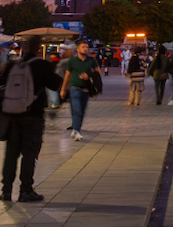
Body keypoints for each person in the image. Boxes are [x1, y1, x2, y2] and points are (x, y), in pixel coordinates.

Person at [3, 39, 69, 202]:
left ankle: (6, 190)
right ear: (39, 49)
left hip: (12, 116)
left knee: (11, 154)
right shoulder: (42, 65)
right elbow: (55, 84)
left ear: (24, 48)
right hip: (33, 116)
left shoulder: (13, 64)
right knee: (29, 154)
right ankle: (25, 190)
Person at [60, 40, 100, 141]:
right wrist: (63, 89)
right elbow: (67, 75)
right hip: (75, 87)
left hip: (86, 88)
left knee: (81, 111)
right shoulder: (72, 61)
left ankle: (76, 129)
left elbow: (98, 73)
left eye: (86, 47)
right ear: (77, 49)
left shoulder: (91, 60)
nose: (85, 49)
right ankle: (76, 131)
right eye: (83, 47)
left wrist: (88, 76)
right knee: (76, 110)